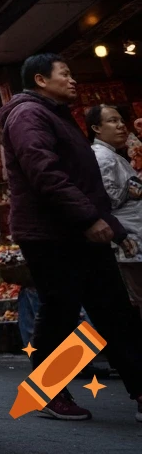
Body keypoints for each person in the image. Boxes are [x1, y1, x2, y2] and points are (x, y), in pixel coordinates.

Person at [0, 54, 142, 422]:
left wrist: (111, 225)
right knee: (62, 311)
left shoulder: (54, 115)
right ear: (41, 79)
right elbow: (43, 172)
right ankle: (47, 392)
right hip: (51, 234)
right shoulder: (28, 115)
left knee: (113, 311)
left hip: (76, 230)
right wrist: (89, 217)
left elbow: (83, 180)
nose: (73, 80)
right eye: (66, 74)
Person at [88, 104, 142, 312]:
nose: (121, 126)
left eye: (121, 121)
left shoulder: (113, 155)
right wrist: (134, 188)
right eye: (112, 121)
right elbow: (108, 201)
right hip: (127, 238)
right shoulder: (101, 157)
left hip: (133, 236)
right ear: (96, 128)